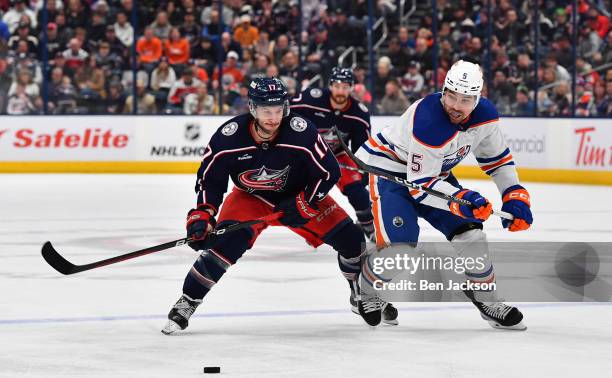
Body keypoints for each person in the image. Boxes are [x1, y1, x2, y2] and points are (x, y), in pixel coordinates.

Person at [162, 77, 397, 334]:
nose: (273, 118)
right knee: (225, 245)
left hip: (299, 195)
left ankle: (358, 292)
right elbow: (210, 179)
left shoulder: (300, 131)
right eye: (266, 111)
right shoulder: (228, 137)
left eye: (278, 110)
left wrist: (306, 203)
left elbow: (329, 171)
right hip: (251, 197)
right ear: (252, 108)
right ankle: (188, 300)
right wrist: (203, 215)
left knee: (353, 242)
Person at [355, 60, 533, 330]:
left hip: (431, 174)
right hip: (390, 170)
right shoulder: (429, 120)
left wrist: (515, 195)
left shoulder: (485, 117)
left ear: (478, 97)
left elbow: (498, 162)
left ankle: (487, 299)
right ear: (444, 89)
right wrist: (463, 200)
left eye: (465, 99)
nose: (455, 105)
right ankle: (366, 292)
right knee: (400, 250)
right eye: (451, 95)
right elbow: (420, 186)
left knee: (471, 234)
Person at [290, 67, 376, 242]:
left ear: (352, 88)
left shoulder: (359, 113)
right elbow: (286, 115)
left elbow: (361, 148)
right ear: (329, 86)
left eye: (345, 87)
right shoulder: (310, 99)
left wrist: (362, 174)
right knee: (304, 191)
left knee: (357, 191)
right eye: (337, 86)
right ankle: (314, 227)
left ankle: (370, 227)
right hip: (309, 155)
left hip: (338, 155)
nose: (340, 91)